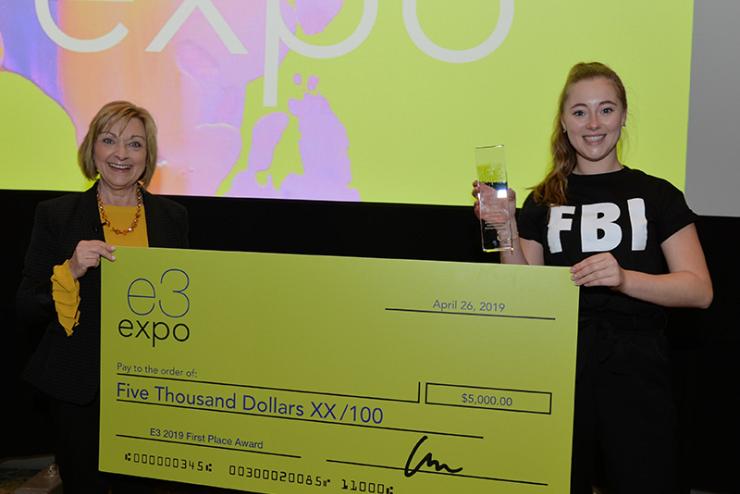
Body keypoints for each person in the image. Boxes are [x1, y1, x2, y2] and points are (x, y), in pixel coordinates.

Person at [473, 62, 713, 493]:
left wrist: (623, 279)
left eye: (606, 109)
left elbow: (699, 290)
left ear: (623, 115)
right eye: (580, 112)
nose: (594, 123)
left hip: (638, 370)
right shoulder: (543, 201)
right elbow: (523, 295)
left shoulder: (658, 194)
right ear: (564, 123)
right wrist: (506, 228)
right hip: (558, 371)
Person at [16, 101, 189, 493]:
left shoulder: (172, 217)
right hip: (80, 387)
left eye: (134, 144)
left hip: (152, 385)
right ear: (92, 149)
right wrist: (70, 270)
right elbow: (26, 304)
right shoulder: (56, 215)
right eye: (109, 141)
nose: (121, 155)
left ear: (148, 155)